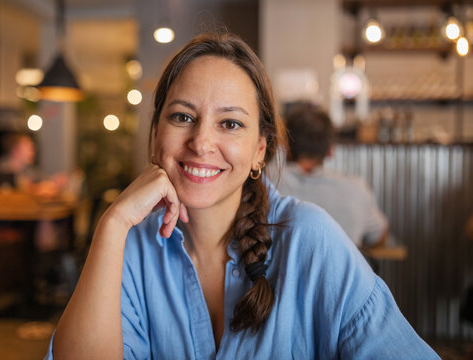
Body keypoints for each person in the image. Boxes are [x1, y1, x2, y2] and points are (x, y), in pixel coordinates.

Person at [47, 32, 438, 359]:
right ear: (155, 134)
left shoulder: (310, 239)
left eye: (230, 123)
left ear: (259, 151)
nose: (201, 142)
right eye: (182, 116)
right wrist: (112, 224)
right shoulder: (131, 245)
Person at [273, 103, 389, 248]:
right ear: (330, 151)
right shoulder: (356, 188)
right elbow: (378, 235)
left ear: (286, 146)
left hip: (277, 271)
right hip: (340, 270)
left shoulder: (265, 183)